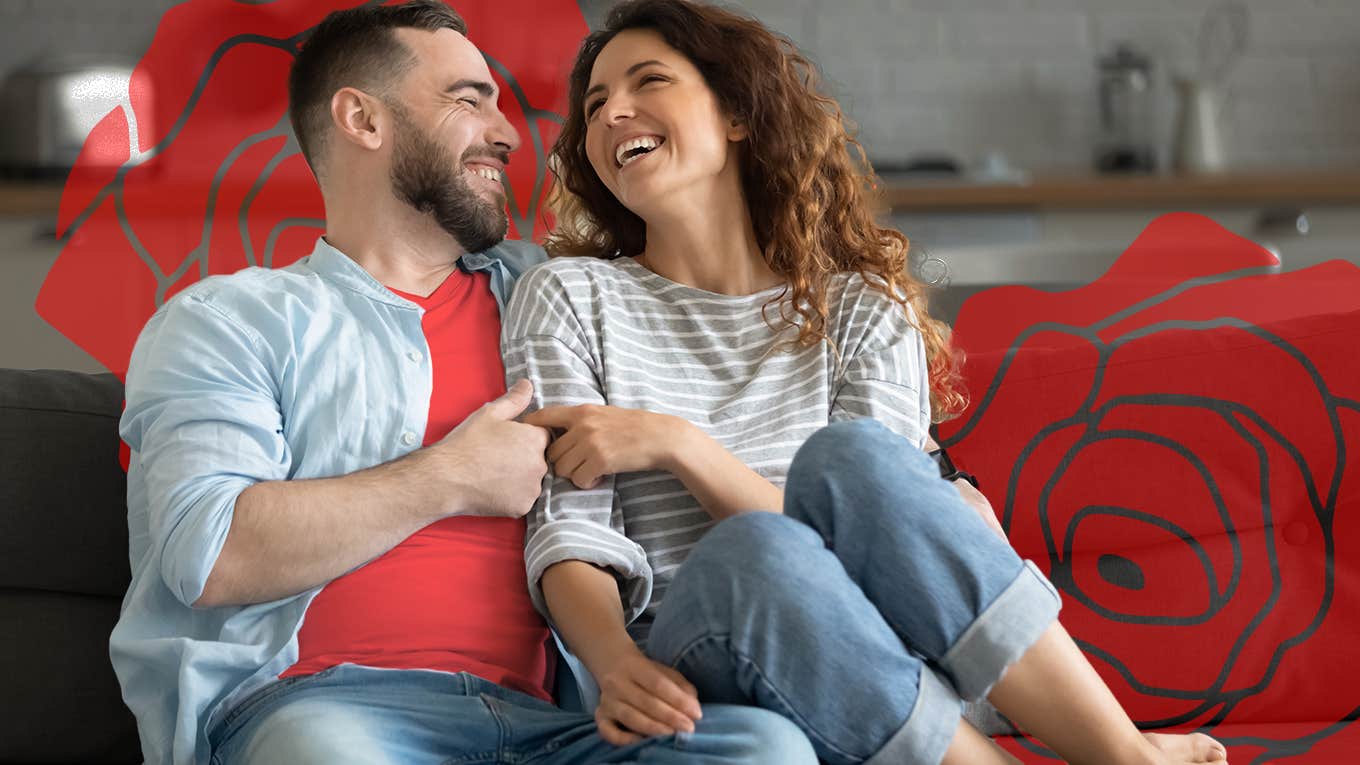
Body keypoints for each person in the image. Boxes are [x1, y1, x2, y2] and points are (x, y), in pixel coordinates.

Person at [500, 1, 1233, 764]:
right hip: (700, 648)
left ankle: (1124, 754)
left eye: (647, 80)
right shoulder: (569, 297)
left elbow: (877, 531)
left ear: (738, 115)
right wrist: (614, 664)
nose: (613, 112)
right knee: (753, 551)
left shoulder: (860, 303)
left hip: (890, 650)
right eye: (593, 106)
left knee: (854, 460)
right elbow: (569, 530)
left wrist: (681, 445)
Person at [110, 2, 815, 763]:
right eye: (469, 99)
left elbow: (746, 378)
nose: (508, 132)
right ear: (362, 119)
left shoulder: (558, 299)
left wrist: (934, 482)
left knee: (764, 746)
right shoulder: (228, 321)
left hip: (558, 726)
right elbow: (208, 553)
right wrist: (450, 477)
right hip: (327, 710)